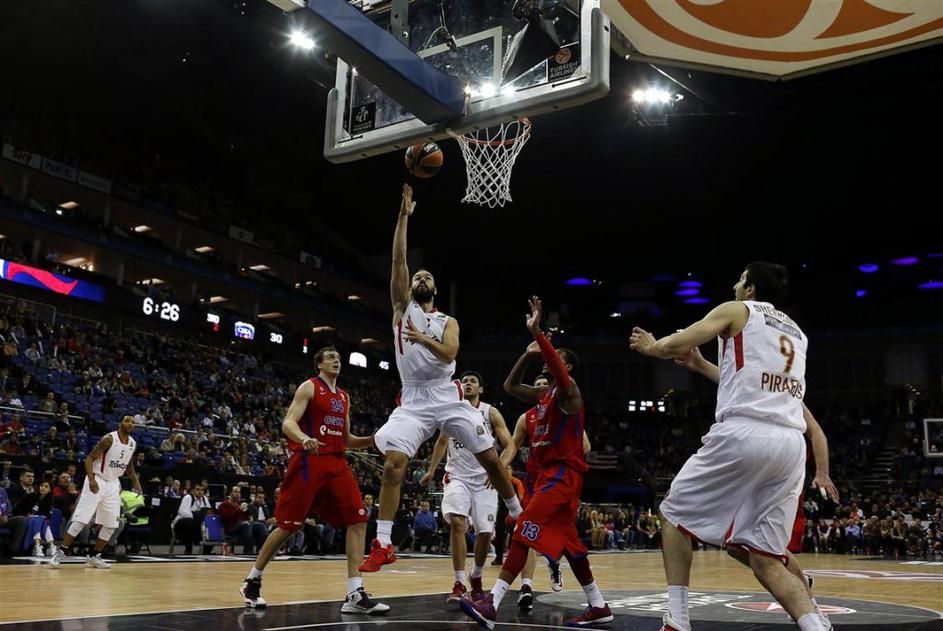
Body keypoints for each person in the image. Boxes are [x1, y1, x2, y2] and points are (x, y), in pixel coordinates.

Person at [629, 262, 827, 631]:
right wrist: (702, 365)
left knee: (673, 516)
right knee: (766, 557)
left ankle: (677, 620)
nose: (735, 284)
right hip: (790, 446)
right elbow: (747, 381)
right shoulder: (797, 333)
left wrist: (653, 347)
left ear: (750, 289)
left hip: (746, 432)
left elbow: (678, 342)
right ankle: (815, 624)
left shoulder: (737, 309)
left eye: (740, 279)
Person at [360, 184, 522, 573]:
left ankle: (518, 514)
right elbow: (399, 260)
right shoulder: (402, 309)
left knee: (490, 459)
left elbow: (450, 353)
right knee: (393, 465)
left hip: (447, 396)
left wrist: (422, 340)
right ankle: (383, 543)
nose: (421, 277)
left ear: (433, 289)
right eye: (418, 275)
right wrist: (403, 217)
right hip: (414, 399)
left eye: (427, 276)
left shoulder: (448, 321)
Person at [461, 297, 613, 628]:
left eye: (555, 358)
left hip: (562, 475)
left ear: (566, 368)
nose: (548, 361)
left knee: (523, 530)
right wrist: (528, 353)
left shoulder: (569, 392)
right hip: (547, 477)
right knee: (571, 545)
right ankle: (598, 604)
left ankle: (492, 602)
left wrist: (538, 333)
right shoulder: (543, 397)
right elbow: (510, 385)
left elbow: (555, 367)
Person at [239, 347, 389, 616]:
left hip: (337, 462)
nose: (336, 360)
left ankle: (355, 593)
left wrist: (372, 440)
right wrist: (303, 438)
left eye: (338, 358)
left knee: (358, 518)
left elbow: (346, 439)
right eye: (330, 357)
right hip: (309, 460)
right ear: (319, 364)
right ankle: (252, 580)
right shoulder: (309, 387)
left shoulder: (344, 396)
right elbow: (288, 423)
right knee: (289, 525)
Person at [501, 371, 593, 609]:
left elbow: (585, 446)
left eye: (546, 383)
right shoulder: (526, 418)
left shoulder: (563, 411)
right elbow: (513, 445)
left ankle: (555, 564)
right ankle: (526, 586)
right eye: (538, 384)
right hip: (535, 482)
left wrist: (561, 448)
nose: (543, 386)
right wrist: (500, 467)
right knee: (525, 531)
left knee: (560, 534)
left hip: (558, 479)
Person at [421, 370, 514, 602]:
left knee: (485, 533)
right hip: (457, 476)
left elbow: (510, 444)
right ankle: (459, 582)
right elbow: (442, 441)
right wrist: (431, 470)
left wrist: (499, 468)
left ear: (480, 389)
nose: (468, 384)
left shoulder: (490, 412)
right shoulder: (451, 411)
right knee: (457, 522)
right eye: (464, 381)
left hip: (485, 479)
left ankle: (476, 575)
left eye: (473, 381)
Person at [50, 415, 141, 568]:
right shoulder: (109, 439)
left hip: (113, 482)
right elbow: (89, 459)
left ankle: (94, 556)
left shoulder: (132, 443)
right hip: (97, 478)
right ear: (120, 423)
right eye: (127, 420)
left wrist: (136, 481)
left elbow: (129, 464)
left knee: (111, 524)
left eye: (133, 422)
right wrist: (91, 479)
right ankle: (61, 552)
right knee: (81, 519)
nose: (130, 423)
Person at [173, 483, 211, 554]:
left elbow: (209, 512)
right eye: (197, 489)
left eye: (202, 490)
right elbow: (183, 513)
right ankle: (188, 549)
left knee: (210, 523)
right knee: (189, 521)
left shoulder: (204, 499)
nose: (200, 492)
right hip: (180, 525)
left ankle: (207, 551)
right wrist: (196, 516)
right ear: (193, 491)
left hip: (197, 524)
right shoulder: (188, 497)